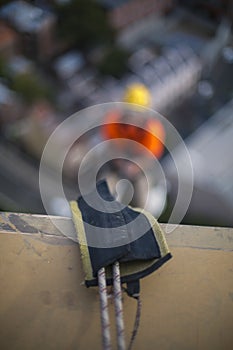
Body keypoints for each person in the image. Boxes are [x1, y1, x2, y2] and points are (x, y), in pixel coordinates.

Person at [100, 83, 166, 210]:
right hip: (116, 162)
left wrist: (134, 167)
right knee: (104, 188)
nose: (132, 117)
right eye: (129, 111)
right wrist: (119, 163)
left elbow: (149, 157)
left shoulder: (153, 130)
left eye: (136, 112)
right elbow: (110, 147)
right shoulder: (113, 120)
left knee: (142, 199)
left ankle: (137, 223)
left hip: (139, 168)